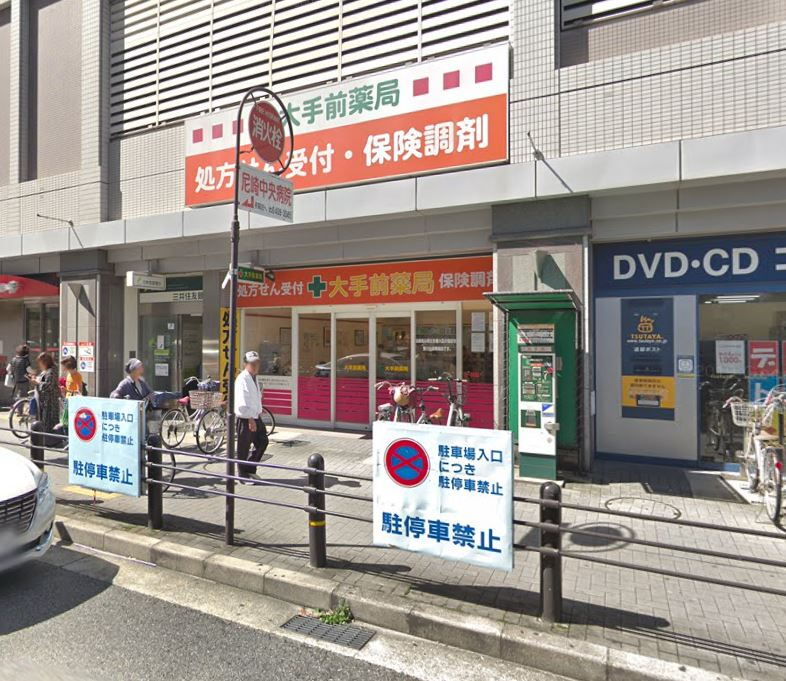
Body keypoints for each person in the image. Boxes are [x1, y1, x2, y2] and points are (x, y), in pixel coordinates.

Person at [235, 351, 268, 482]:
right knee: (244, 447)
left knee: (263, 441)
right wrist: (249, 418)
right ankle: (242, 475)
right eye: (252, 363)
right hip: (246, 418)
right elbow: (242, 400)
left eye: (257, 363)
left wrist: (258, 409)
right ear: (245, 364)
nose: (255, 366)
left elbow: (254, 397)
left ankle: (250, 468)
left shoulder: (254, 377)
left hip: (254, 416)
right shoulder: (242, 378)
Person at [30, 352, 59, 432]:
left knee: (49, 420)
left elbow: (48, 386)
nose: (39, 365)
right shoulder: (45, 371)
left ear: (45, 362)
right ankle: (46, 435)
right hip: (44, 400)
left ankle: (49, 436)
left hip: (50, 400)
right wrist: (35, 378)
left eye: (40, 363)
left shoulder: (51, 371)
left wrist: (37, 383)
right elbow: (41, 379)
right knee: (44, 419)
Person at [56, 356, 84, 432]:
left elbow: (79, 392)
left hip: (73, 402)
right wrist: (64, 391)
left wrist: (67, 390)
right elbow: (68, 390)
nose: (62, 367)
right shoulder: (68, 375)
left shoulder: (77, 375)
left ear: (68, 365)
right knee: (65, 420)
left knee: (70, 421)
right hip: (67, 400)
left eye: (63, 365)